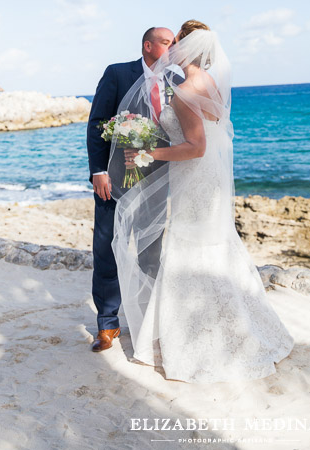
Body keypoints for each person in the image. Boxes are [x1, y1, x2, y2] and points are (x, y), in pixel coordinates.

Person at [108, 20, 294, 383]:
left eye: (177, 41)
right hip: (208, 178)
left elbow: (196, 147)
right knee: (215, 244)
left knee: (190, 247)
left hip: (195, 176)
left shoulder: (184, 91)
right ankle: (236, 325)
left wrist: (147, 153)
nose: (171, 47)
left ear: (187, 49)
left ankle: (199, 340)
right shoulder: (209, 82)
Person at [87, 27, 181, 352]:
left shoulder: (177, 82)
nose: (172, 49)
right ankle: (107, 325)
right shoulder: (117, 74)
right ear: (148, 45)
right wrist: (98, 170)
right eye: (167, 43)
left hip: (157, 179)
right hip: (113, 180)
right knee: (107, 248)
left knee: (150, 251)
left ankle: (147, 320)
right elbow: (98, 123)